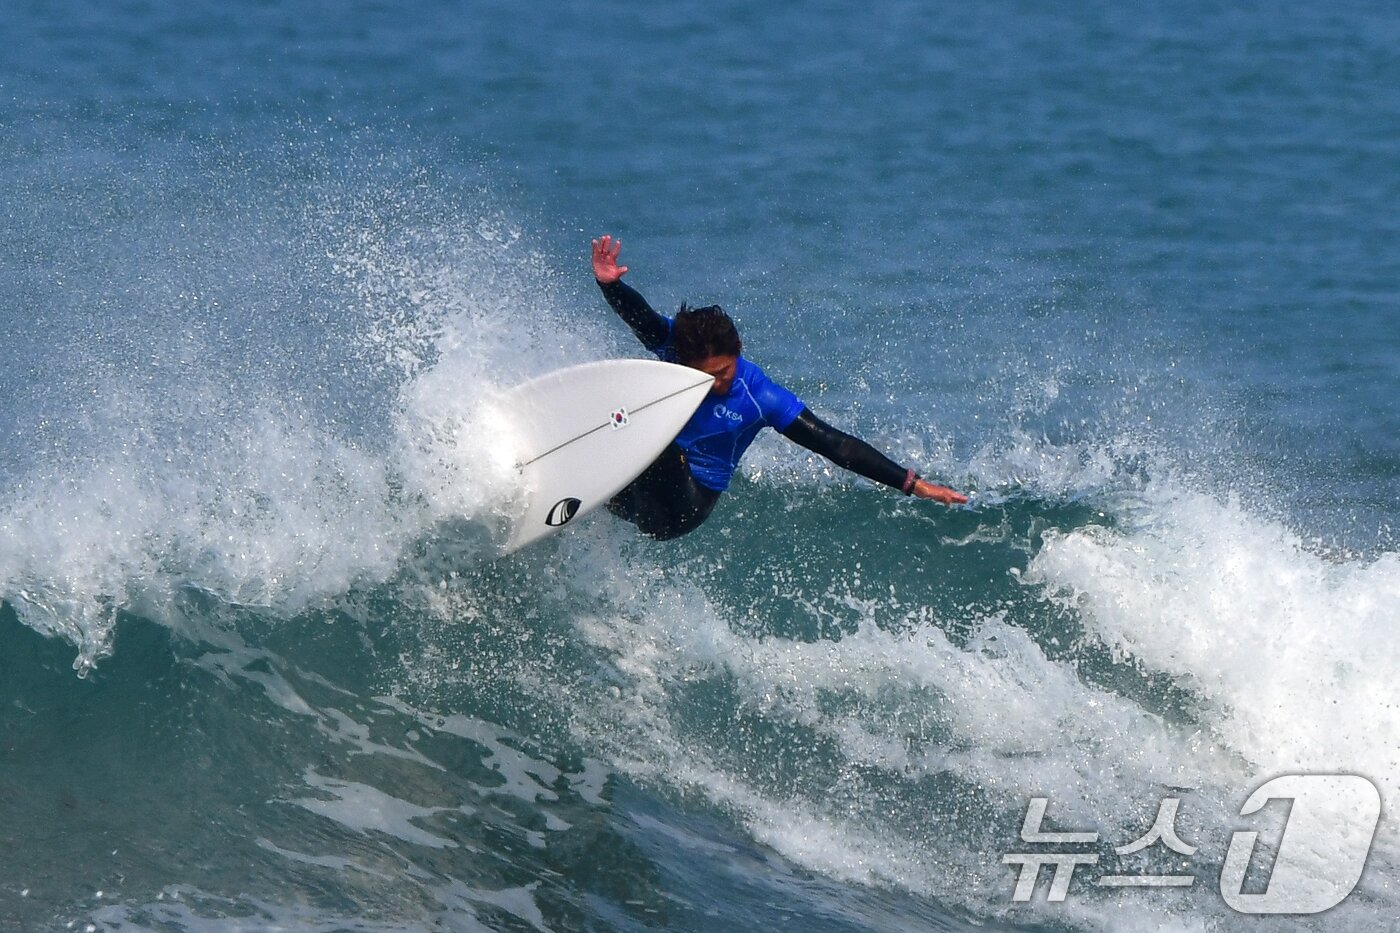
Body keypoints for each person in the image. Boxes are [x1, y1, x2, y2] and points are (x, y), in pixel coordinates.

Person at [592, 235, 968, 540]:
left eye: (724, 371)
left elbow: (837, 445)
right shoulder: (676, 348)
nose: (717, 382)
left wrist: (914, 484)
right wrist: (610, 286)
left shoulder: (760, 396)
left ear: (737, 353)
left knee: (652, 432)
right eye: (706, 375)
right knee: (624, 409)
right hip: (640, 493)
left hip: (683, 508)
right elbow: (644, 321)